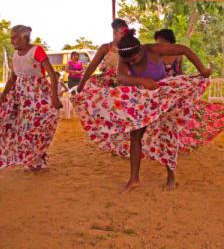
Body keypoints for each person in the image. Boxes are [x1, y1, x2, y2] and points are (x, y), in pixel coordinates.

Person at [75, 29, 213, 193]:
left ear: (140, 50)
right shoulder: (124, 57)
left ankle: (171, 176)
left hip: (164, 97)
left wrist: (203, 70)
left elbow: (185, 49)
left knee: (167, 134)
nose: (131, 63)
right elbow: (121, 77)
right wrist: (141, 80)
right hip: (142, 100)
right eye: (129, 62)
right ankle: (134, 179)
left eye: (134, 60)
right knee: (135, 135)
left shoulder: (153, 49)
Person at [0, 25, 62, 170]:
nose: (11, 40)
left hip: (38, 95)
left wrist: (54, 97)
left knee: (37, 127)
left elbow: (52, 74)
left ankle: (36, 157)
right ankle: (34, 159)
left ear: (24, 37)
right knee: (20, 128)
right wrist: (3, 94)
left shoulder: (37, 50)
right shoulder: (15, 55)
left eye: (14, 37)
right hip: (21, 98)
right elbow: (12, 78)